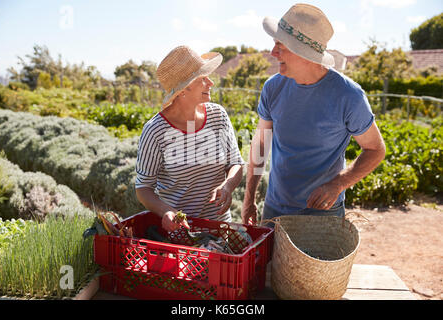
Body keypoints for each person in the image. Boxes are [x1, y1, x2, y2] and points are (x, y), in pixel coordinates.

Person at [242, 3, 386, 224]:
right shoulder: (273, 88)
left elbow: (375, 149)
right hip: (275, 209)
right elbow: (260, 144)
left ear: (303, 52)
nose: (272, 53)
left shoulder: (348, 95)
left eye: (280, 45)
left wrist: (338, 184)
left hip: (323, 214)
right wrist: (249, 199)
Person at [135, 45, 245, 232]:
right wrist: (167, 211)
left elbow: (235, 163)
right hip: (181, 233)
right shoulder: (155, 131)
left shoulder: (218, 116)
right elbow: (143, 188)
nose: (210, 83)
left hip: (219, 228)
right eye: (203, 78)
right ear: (183, 89)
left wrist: (227, 186)